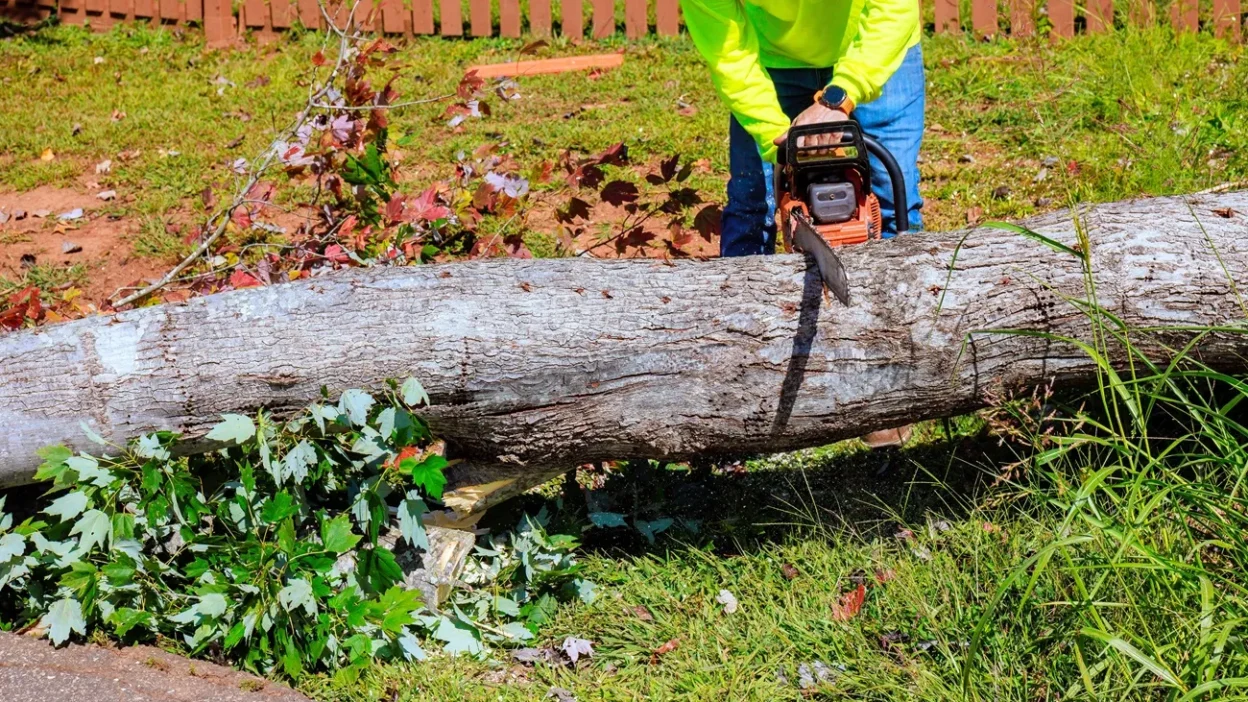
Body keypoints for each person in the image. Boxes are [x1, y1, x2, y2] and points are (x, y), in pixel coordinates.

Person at [682, 0, 925, 447]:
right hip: (771, 61)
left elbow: (894, 7)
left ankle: (894, 387)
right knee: (752, 206)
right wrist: (772, 131)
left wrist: (843, 93)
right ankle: (741, 386)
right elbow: (727, 47)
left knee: (894, 208)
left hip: (874, 43)